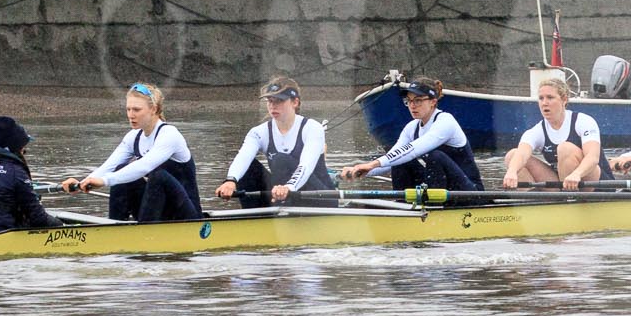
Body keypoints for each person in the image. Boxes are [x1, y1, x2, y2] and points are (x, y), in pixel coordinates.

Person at [61, 82, 203, 222]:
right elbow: (108, 166)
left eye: (136, 110)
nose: (131, 115)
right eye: (128, 109)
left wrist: (105, 181)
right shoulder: (133, 137)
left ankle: (144, 231)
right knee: (120, 170)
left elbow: (144, 167)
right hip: (157, 211)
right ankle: (115, 225)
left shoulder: (169, 134)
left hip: (186, 215)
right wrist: (83, 183)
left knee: (158, 176)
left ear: (153, 109)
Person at [341, 77, 482, 191]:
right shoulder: (411, 128)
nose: (412, 105)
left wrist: (372, 164)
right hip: (443, 189)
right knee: (400, 161)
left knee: (435, 157)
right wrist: (360, 170)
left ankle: (433, 210)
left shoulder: (446, 122)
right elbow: (394, 157)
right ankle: (403, 206)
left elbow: (414, 149)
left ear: (433, 102)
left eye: (418, 100)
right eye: (409, 101)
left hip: (468, 191)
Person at [216, 76, 336, 207]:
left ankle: (283, 209)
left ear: (295, 102)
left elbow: (305, 166)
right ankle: (256, 219)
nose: (273, 106)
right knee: (248, 167)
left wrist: (289, 187)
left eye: (279, 101)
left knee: (281, 160)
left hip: (321, 199)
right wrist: (230, 180)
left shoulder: (312, 128)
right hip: (283, 197)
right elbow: (243, 157)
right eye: (270, 101)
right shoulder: (259, 132)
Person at [503, 77, 610, 189]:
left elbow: (592, 158)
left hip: (597, 184)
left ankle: (570, 199)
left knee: (565, 149)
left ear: (564, 99)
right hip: (563, 185)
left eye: (550, 97)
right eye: (541, 98)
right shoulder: (537, 131)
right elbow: (522, 153)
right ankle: (531, 200)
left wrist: (576, 174)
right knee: (512, 156)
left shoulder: (583, 121)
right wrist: (511, 172)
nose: (544, 103)